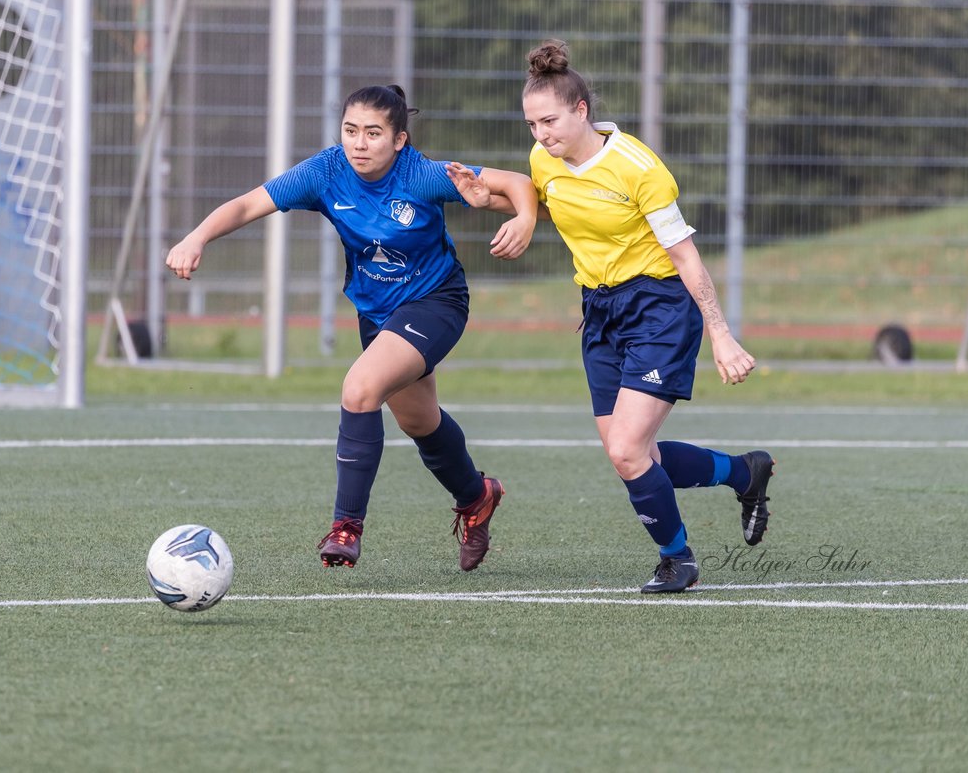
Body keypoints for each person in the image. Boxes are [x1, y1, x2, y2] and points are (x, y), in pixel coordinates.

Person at [166, 84, 538, 571]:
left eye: (373, 133)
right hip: (378, 313)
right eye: (350, 131)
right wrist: (197, 236)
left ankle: (346, 527)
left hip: (436, 301)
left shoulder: (422, 174)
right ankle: (476, 497)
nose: (359, 143)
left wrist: (526, 219)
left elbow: (515, 183)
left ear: (399, 139)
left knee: (359, 389)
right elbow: (245, 205)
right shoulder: (326, 172)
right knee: (418, 420)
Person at [513, 40, 774, 593]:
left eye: (551, 121)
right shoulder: (544, 159)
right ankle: (743, 472)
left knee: (629, 450)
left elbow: (686, 257)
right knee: (631, 455)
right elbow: (537, 194)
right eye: (532, 124)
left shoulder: (638, 167)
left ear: (581, 110)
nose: (541, 135)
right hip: (600, 312)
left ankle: (678, 560)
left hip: (659, 308)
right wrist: (501, 205)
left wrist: (721, 336)